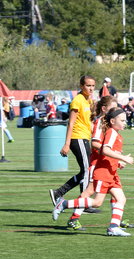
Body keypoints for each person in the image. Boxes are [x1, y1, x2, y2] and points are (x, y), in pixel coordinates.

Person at [52, 107, 134, 237]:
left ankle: (113, 227)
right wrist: (123, 157)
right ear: (112, 121)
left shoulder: (117, 134)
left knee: (121, 199)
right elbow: (104, 150)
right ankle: (64, 204)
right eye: (122, 120)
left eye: (125, 120)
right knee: (97, 202)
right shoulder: (112, 132)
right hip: (103, 173)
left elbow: (108, 154)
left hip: (111, 173)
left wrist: (118, 162)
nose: (125, 123)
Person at [48, 75, 97, 211]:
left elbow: (88, 122)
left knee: (85, 171)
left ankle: (58, 193)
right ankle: (84, 203)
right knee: (87, 171)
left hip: (85, 138)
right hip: (77, 138)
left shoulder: (89, 101)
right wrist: (67, 144)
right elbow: (71, 123)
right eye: (88, 85)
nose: (91, 88)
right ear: (81, 86)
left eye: (93, 86)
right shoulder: (77, 100)